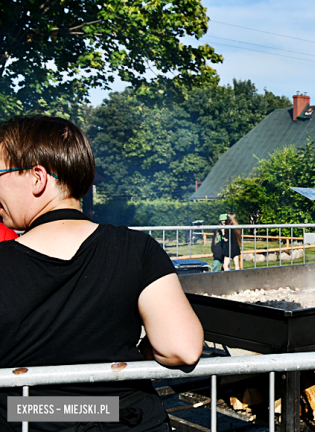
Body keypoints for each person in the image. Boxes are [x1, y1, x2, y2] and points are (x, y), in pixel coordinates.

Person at [0, 115, 204, 432]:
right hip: (127, 419)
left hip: (29, 419)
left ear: (37, 178)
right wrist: (135, 356)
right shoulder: (137, 248)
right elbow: (181, 347)